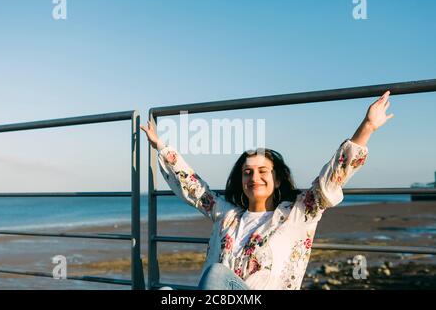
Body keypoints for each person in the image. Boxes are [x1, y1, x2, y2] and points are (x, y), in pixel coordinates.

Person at [140, 91, 394, 290]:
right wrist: (161, 146)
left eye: (263, 171)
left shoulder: (297, 214)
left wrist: (367, 127)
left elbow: (330, 180)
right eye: (247, 172)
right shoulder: (227, 215)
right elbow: (194, 188)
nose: (255, 177)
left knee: (216, 274)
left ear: (278, 179)